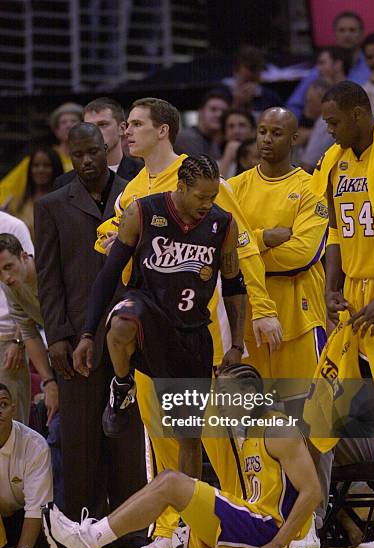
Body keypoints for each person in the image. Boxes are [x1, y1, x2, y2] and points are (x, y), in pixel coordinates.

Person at [93, 97, 282, 548]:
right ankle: (171, 525)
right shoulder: (133, 192)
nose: (125, 131)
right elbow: (109, 243)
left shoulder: (203, 178)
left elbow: (243, 249)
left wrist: (261, 308)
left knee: (214, 436)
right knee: (161, 432)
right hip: (150, 328)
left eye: (135, 124)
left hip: (204, 328)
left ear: (163, 130)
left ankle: (243, 515)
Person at [41, 363, 322, 548]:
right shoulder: (247, 431)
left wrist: (278, 543)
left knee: (172, 482)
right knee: (167, 481)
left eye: (225, 394)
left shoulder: (278, 428)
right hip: (252, 521)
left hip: (266, 529)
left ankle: (87, 540)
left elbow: (312, 492)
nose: (219, 402)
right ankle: (88, 536)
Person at [74, 155, 247, 479]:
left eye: (213, 197)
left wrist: (236, 344)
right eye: (201, 197)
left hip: (191, 332)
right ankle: (122, 384)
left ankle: (190, 516)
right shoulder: (142, 212)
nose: (207, 204)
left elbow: (235, 287)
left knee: (189, 438)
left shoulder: (222, 224)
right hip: (148, 314)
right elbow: (109, 274)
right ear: (181, 187)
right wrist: (86, 333)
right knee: (123, 322)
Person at [34, 123, 147, 541]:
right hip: (75, 335)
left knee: (129, 436)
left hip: (129, 332)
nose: (86, 162)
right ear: (69, 154)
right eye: (77, 154)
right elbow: (47, 279)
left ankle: (133, 532)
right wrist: (58, 336)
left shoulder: (135, 195)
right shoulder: (51, 205)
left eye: (92, 153)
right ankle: (79, 532)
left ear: (107, 148)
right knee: (80, 439)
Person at [228, 107, 329, 548]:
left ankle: (310, 522)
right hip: (250, 323)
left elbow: (303, 253)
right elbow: (224, 250)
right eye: (262, 131)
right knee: (253, 426)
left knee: (311, 425)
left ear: (295, 138)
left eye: (277, 133)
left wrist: (249, 246)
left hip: (301, 321)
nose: (266, 139)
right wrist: (267, 237)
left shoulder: (312, 187)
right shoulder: (235, 188)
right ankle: (260, 512)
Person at [311, 80, 374, 548]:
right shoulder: (334, 162)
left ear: (361, 114)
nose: (328, 131)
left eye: (334, 121)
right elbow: (336, 234)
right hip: (356, 303)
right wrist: (330, 286)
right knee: (362, 412)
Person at [0, 234, 59, 426]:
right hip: (58, 350)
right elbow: (29, 333)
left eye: (9, 267)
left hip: (84, 339)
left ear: (24, 256)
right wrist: (49, 383)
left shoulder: (49, 270)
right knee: (56, 427)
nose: (6, 278)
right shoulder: (10, 288)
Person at [0, 383, 53, 548]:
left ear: (13, 410)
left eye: (3, 404)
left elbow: (36, 506)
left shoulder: (34, 446)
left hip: (23, 518)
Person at [287, 11, 369, 119]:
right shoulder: (322, 67)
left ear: (362, 34)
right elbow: (294, 105)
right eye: (342, 30)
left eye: (352, 30)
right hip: (321, 127)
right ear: (335, 34)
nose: (347, 34)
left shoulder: (370, 66)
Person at [0, 102, 82, 207]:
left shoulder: (90, 158)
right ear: (56, 131)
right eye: (63, 122)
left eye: (73, 121)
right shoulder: (42, 158)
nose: (68, 125)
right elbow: (8, 187)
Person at [54, 98, 143, 187]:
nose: (95, 131)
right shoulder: (65, 182)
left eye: (103, 124)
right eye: (89, 126)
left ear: (122, 128)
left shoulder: (145, 174)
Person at [0, 212, 33, 423]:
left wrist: (18, 341)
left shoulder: (13, 226)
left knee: (13, 422)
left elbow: (29, 283)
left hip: (9, 340)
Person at [4, 146, 64, 238]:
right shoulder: (16, 203)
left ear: (55, 168)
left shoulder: (65, 201)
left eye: (46, 165)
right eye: (36, 165)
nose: (40, 170)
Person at [220, 46, 282, 114]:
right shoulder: (221, 95)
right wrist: (237, 104)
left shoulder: (271, 99)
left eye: (259, 68)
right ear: (236, 69)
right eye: (251, 68)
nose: (255, 73)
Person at [174, 91, 230, 158]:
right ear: (200, 112)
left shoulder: (213, 141)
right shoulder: (187, 138)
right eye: (213, 109)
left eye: (223, 112)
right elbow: (202, 167)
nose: (219, 115)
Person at [219, 109, 256, 178]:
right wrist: (227, 158)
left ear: (253, 131)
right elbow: (215, 188)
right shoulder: (215, 164)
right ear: (224, 133)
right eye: (231, 126)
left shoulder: (262, 161)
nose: (236, 131)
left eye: (242, 125)